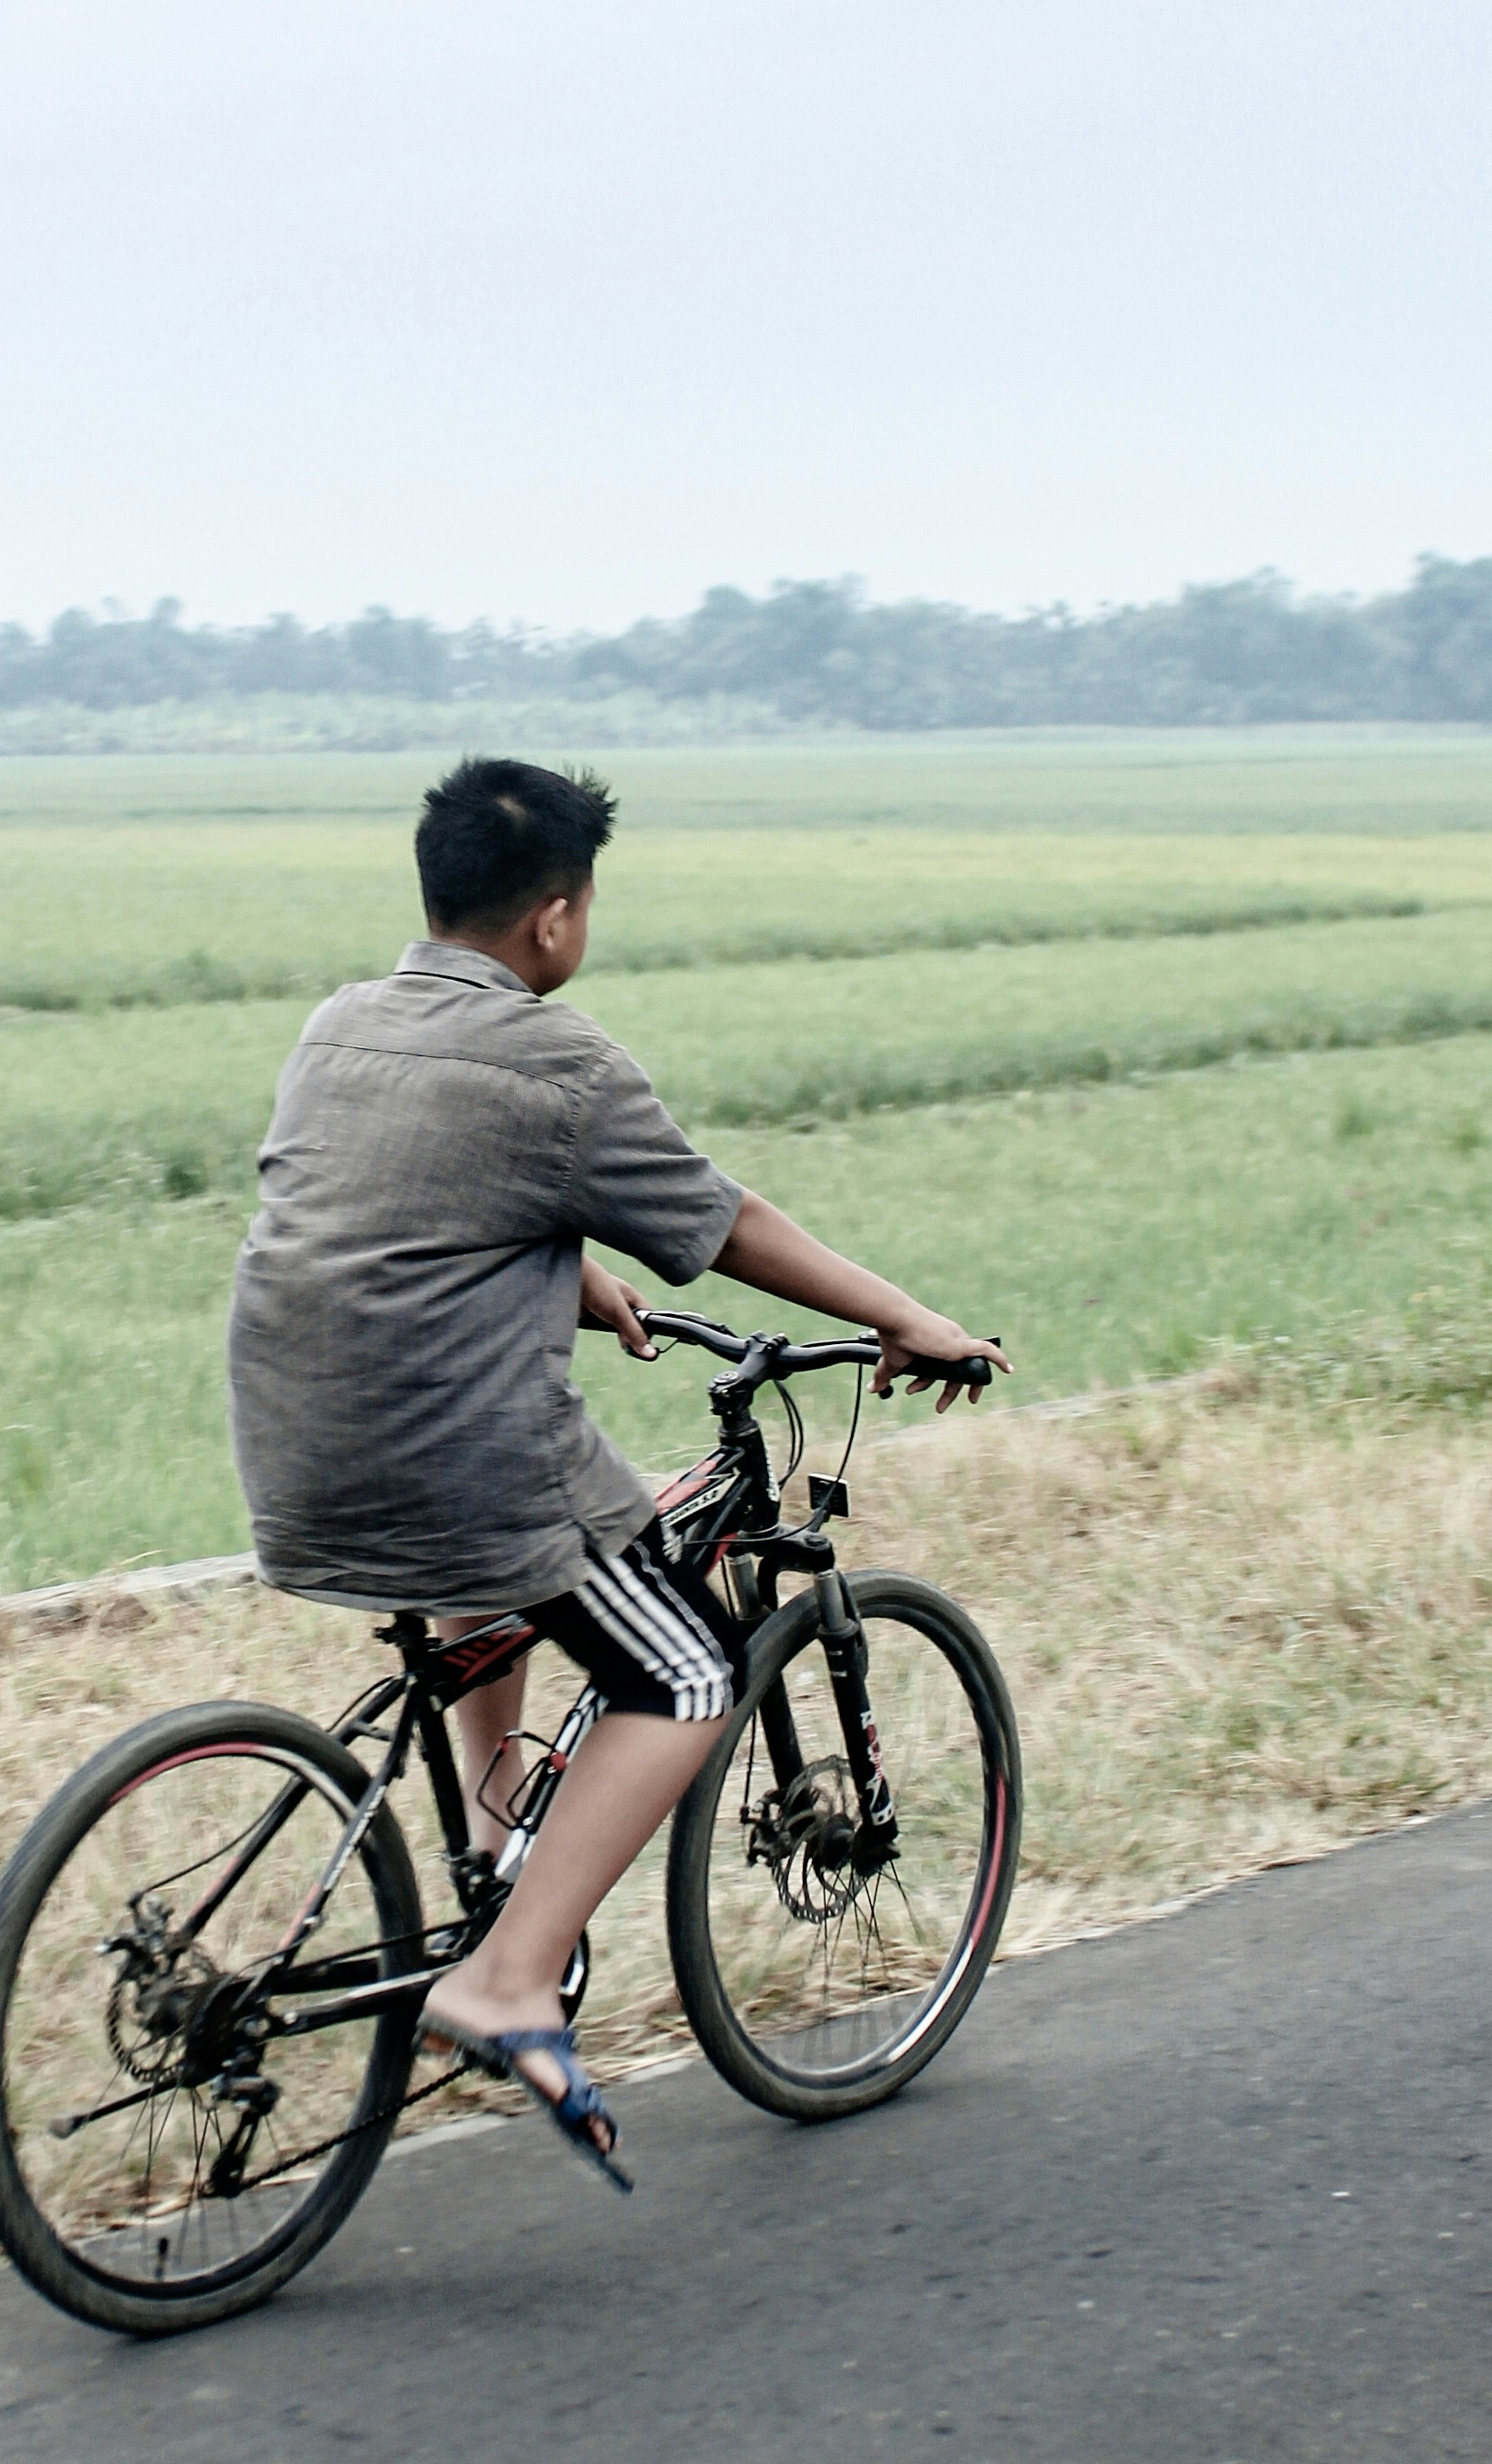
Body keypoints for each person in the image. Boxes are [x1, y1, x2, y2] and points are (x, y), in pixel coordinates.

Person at [226, 757, 1007, 2188]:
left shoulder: (339, 1027)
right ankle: (510, 1978)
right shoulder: (560, 1063)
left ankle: (494, 1841)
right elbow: (724, 1222)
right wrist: (903, 1317)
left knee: (504, 1582)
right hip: (458, 1459)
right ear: (556, 919)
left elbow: (392, 1203)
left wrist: (564, 1272)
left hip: (290, 1452)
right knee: (692, 1673)